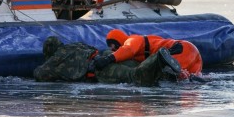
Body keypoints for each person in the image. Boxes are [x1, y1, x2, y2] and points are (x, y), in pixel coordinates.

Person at [33, 36, 182, 86]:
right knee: (144, 68)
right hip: (106, 56)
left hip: (100, 69)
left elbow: (39, 73)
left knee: (135, 76)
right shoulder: (74, 45)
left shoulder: (55, 60)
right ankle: (173, 74)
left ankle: (159, 58)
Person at [94, 29, 203, 80]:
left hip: (180, 49)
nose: (113, 49)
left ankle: (179, 74)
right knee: (190, 79)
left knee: (174, 74)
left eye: (113, 45)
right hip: (193, 55)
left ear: (119, 40)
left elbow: (128, 50)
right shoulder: (143, 43)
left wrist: (108, 58)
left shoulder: (133, 40)